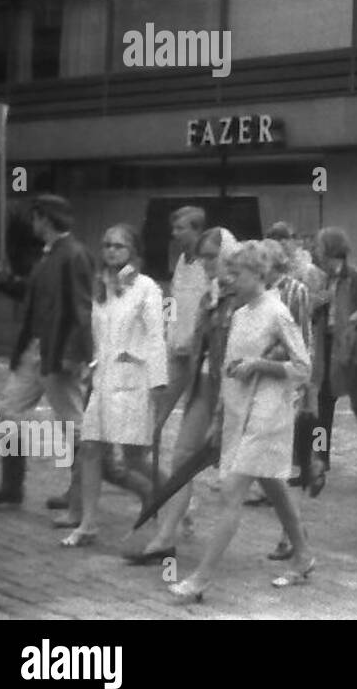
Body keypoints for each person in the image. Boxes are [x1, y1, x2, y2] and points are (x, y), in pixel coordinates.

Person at [169, 241, 315, 602]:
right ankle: (303, 554)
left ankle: (201, 579)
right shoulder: (238, 313)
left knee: (232, 490)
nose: (230, 279)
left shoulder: (277, 312)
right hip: (240, 411)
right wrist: (220, 415)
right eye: (229, 272)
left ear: (259, 274)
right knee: (271, 483)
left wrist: (259, 366)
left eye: (238, 273)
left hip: (269, 412)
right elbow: (228, 368)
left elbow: (303, 368)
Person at [125, 227, 239, 565]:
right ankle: (164, 538)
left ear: (228, 255)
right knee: (182, 461)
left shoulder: (243, 296)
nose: (205, 263)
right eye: (202, 256)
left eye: (211, 256)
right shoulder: (210, 296)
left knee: (254, 476)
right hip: (204, 385)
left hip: (235, 394)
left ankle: (296, 538)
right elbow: (198, 345)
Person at [0, 195, 93, 515]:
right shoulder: (51, 255)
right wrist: (7, 282)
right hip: (36, 347)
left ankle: (81, 490)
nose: (32, 223)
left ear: (46, 218)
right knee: (9, 411)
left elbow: (82, 309)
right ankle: (11, 488)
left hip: (57, 351)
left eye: (36, 217)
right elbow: (34, 295)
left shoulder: (74, 255)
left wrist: (75, 354)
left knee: (73, 424)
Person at [61, 224, 168, 547]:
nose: (111, 251)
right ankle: (88, 523)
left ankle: (180, 499)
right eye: (107, 244)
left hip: (133, 380)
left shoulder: (146, 287)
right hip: (102, 379)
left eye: (119, 246)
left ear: (133, 250)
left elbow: (155, 337)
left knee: (135, 458)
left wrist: (158, 382)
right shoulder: (100, 287)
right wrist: (89, 363)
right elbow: (96, 333)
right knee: (90, 448)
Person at [306, 227, 357, 495]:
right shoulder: (322, 279)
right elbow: (311, 313)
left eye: (319, 247)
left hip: (348, 352)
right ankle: (321, 459)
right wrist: (316, 304)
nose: (315, 252)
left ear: (331, 250)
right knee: (322, 409)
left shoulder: (352, 277)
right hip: (326, 349)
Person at [260, 236, 315, 558]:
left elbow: (302, 342)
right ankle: (293, 533)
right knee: (272, 466)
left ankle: (290, 536)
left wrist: (307, 389)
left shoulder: (294, 291)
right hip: (264, 384)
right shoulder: (256, 295)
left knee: (285, 464)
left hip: (287, 384)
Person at [155, 207, 209, 436]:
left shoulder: (209, 262)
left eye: (180, 228)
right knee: (158, 406)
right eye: (173, 228)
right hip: (176, 349)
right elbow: (172, 297)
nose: (175, 233)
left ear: (196, 230)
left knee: (195, 418)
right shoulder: (180, 260)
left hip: (200, 352)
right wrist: (168, 331)